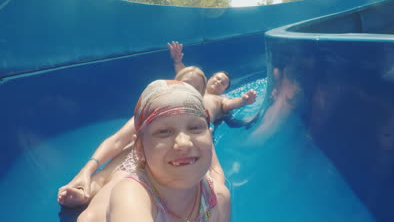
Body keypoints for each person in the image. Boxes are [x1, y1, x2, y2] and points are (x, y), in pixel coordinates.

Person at [57, 66, 207, 208]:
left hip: (176, 162)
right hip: (144, 156)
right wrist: (86, 171)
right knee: (122, 168)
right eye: (186, 84)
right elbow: (117, 140)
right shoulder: (156, 112)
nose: (190, 90)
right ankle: (90, 189)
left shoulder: (202, 122)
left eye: (197, 88)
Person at [107, 80, 230, 222]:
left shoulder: (219, 198)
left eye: (195, 127)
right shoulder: (131, 196)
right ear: (140, 147)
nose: (184, 143)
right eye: (164, 131)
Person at [167, 41, 257, 124]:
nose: (218, 82)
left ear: (223, 91)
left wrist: (243, 100)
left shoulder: (220, 99)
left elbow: (230, 104)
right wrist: (178, 61)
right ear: (209, 79)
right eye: (217, 78)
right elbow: (185, 75)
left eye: (222, 83)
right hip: (177, 110)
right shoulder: (196, 87)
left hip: (199, 119)